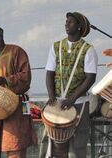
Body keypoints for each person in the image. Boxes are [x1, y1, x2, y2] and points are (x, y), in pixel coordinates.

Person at [39, 12, 98, 158]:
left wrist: (72, 98)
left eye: (71, 22)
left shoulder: (88, 50)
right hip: (57, 102)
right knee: (53, 145)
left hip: (79, 103)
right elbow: (49, 73)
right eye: (66, 21)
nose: (66, 24)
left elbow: (90, 78)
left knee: (79, 144)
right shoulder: (56, 46)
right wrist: (52, 96)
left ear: (79, 27)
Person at [0, 25, 37, 158]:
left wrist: (6, 80)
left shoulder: (16, 51)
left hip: (15, 105)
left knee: (15, 145)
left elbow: (26, 76)